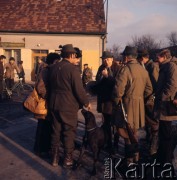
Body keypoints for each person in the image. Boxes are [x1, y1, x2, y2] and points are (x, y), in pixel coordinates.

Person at [48, 44, 91, 168]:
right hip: (68, 106)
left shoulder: (54, 67)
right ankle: (67, 159)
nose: (75, 58)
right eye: (75, 55)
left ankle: (54, 159)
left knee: (56, 132)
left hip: (54, 104)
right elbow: (79, 90)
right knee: (69, 132)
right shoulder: (73, 70)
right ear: (71, 55)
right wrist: (86, 103)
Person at [113, 46, 153, 165]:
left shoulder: (125, 70)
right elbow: (149, 89)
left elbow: (118, 91)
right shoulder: (143, 70)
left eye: (123, 56)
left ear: (126, 57)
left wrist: (116, 102)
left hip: (126, 104)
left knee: (125, 131)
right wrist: (140, 98)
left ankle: (130, 158)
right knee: (133, 131)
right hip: (139, 105)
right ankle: (136, 156)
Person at [33, 53, 61, 157]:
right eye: (57, 61)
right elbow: (40, 87)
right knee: (42, 126)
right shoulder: (45, 70)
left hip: (48, 103)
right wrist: (49, 96)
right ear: (52, 62)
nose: (58, 63)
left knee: (47, 126)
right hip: (44, 103)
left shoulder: (50, 70)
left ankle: (44, 148)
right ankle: (39, 149)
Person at [154, 49, 177, 174]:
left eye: (159, 56)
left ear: (164, 56)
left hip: (166, 106)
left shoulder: (171, 66)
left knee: (166, 135)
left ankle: (166, 162)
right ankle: (162, 159)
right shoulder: (165, 66)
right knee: (163, 134)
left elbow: (172, 84)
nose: (157, 58)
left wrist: (163, 96)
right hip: (163, 105)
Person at [95, 51, 120, 153]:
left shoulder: (117, 68)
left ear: (112, 59)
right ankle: (108, 143)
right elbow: (97, 80)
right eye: (103, 59)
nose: (105, 61)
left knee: (116, 125)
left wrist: (107, 77)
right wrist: (100, 78)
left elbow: (117, 84)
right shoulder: (101, 68)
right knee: (106, 124)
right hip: (104, 101)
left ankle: (116, 144)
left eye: (107, 59)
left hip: (113, 101)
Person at [137, 49, 159, 155]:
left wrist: (151, 98)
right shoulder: (146, 66)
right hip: (146, 98)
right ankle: (149, 140)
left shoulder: (152, 67)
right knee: (148, 122)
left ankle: (153, 146)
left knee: (153, 122)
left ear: (143, 58)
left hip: (151, 99)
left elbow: (155, 85)